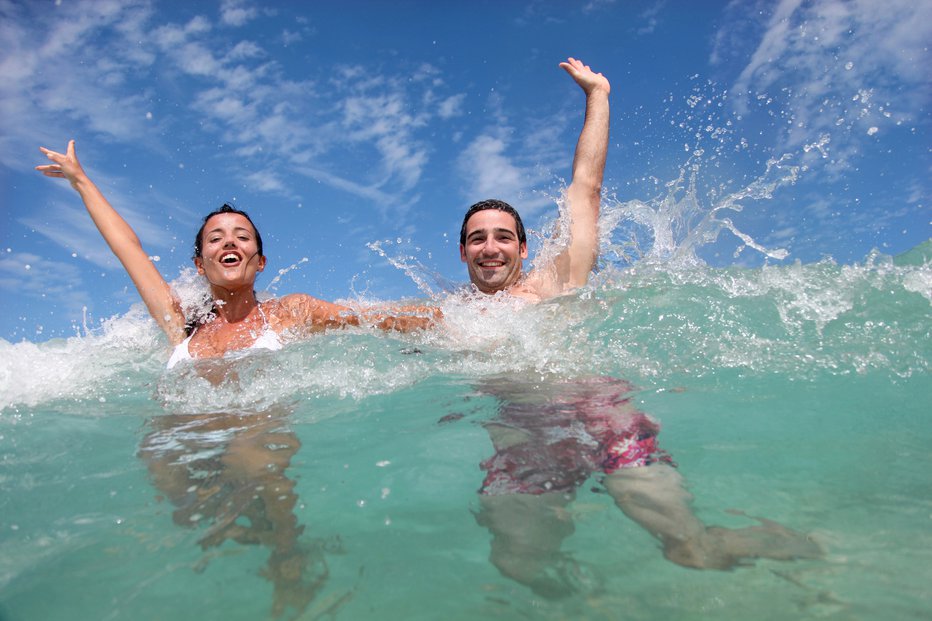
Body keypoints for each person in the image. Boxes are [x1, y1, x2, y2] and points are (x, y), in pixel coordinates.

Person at [460, 58, 821, 597]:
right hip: (524, 443)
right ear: (463, 250)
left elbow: (586, 189)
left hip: (602, 420)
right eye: (478, 237)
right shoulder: (448, 315)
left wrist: (598, 96)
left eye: (503, 236)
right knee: (519, 565)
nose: (491, 247)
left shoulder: (555, 282)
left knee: (690, 550)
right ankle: (596, 601)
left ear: (524, 247)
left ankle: (789, 545)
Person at [36, 141, 434, 366]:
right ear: (199, 264)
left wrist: (460, 323)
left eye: (242, 237)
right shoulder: (182, 326)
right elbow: (129, 250)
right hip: (187, 445)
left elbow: (372, 319)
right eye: (215, 239)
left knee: (253, 454)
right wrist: (82, 181)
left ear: (260, 261)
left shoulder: (289, 313)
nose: (229, 243)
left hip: (259, 440)